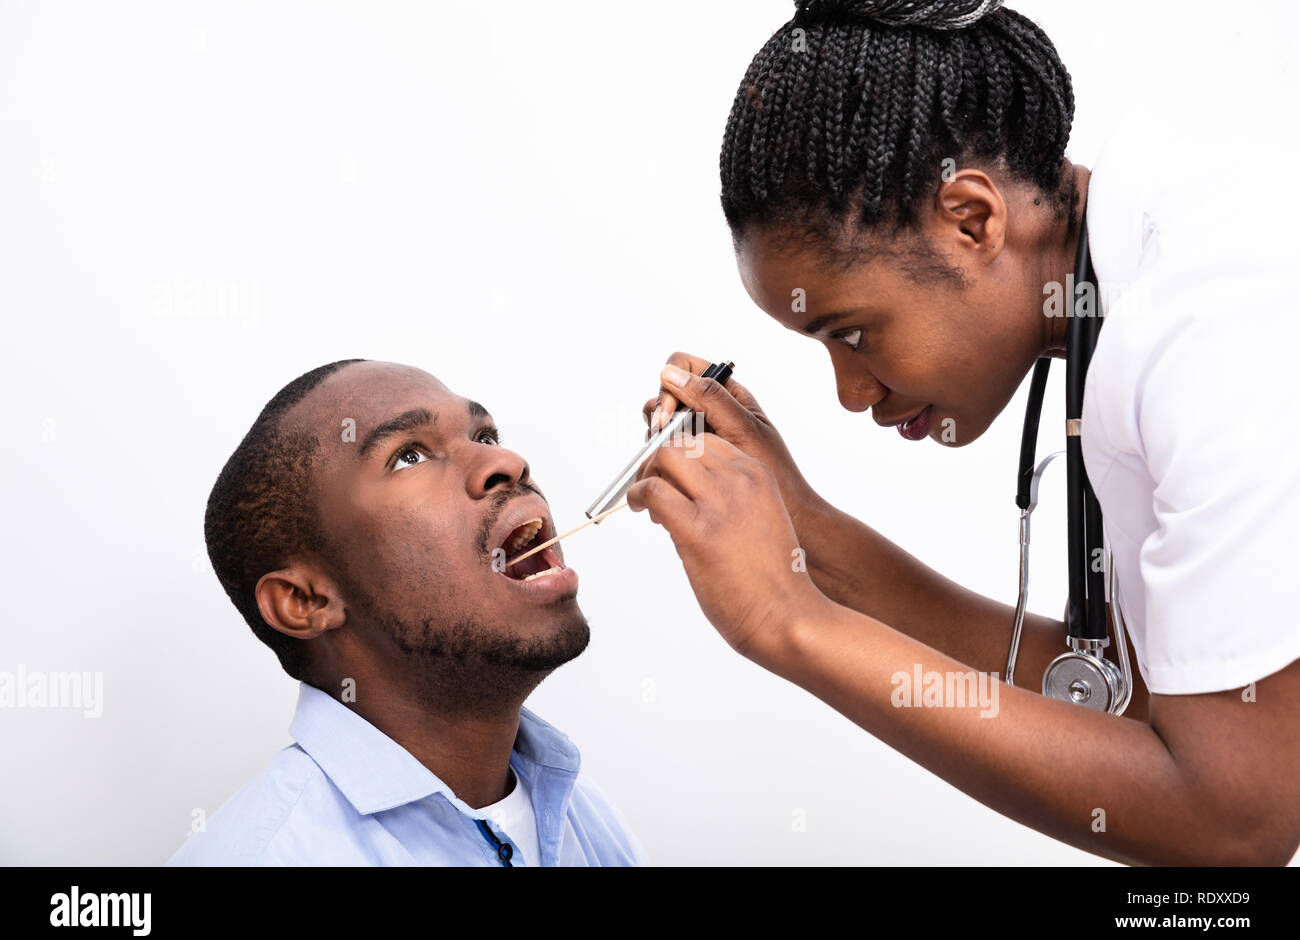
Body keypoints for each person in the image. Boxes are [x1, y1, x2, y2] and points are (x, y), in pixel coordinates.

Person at [629, 0, 1300, 865]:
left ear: (972, 220)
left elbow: (1235, 824)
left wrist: (788, 623)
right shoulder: (1133, 262)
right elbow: (1146, 702)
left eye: (853, 331)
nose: (849, 391)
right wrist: (810, 536)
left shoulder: (1205, 336)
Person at [169, 359, 645, 866]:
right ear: (305, 601)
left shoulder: (588, 820)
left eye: (484, 436)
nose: (505, 461)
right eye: (409, 456)